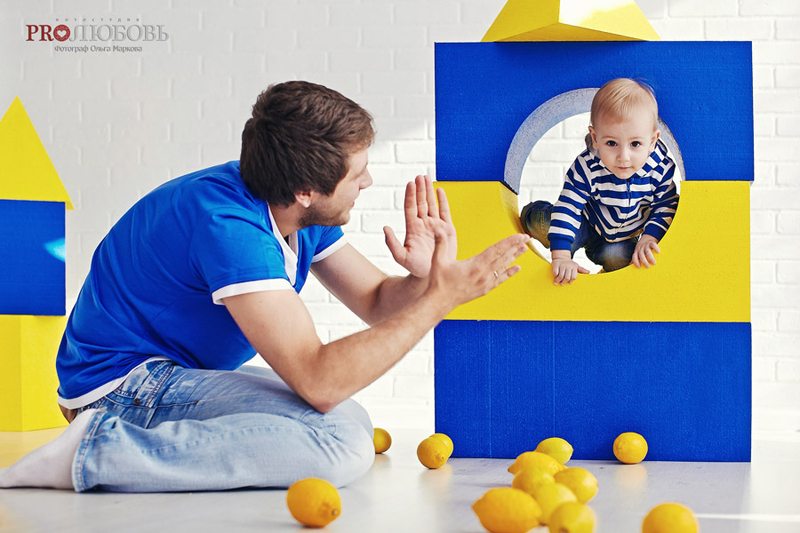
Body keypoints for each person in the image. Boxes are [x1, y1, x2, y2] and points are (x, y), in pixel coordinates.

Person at [0, 81, 529, 493]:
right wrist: (442, 298)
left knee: (346, 422)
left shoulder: (293, 204)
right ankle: (94, 452)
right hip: (119, 386)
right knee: (339, 443)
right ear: (305, 190)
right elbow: (318, 379)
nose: (367, 183)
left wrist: (425, 279)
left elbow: (375, 302)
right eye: (358, 174)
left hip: (174, 373)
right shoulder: (230, 228)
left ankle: (110, 446)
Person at [520, 78, 679, 285]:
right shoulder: (587, 166)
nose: (623, 157)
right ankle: (533, 212)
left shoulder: (659, 169)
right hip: (584, 222)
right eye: (611, 143)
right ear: (595, 138)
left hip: (623, 237)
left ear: (652, 141)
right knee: (544, 224)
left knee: (620, 258)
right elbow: (569, 207)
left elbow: (666, 205)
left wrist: (650, 237)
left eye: (635, 144)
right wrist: (561, 257)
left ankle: (606, 271)